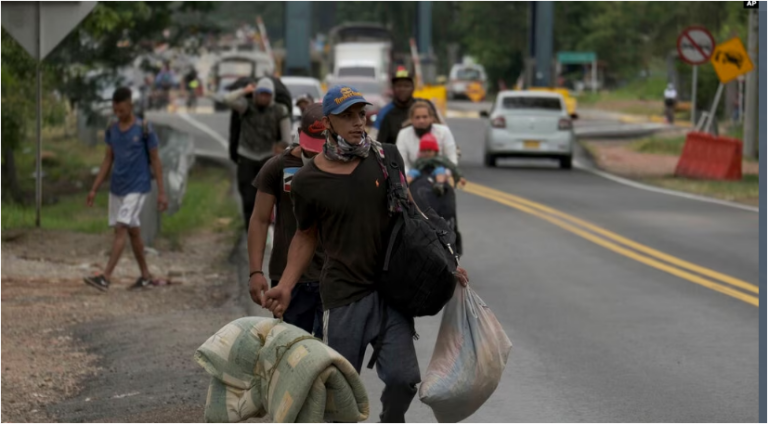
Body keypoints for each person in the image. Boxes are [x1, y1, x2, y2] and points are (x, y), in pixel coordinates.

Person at [263, 85, 469, 424]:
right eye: (348, 116)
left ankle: (391, 418)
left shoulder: (386, 157)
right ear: (328, 122)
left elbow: (411, 211)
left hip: (391, 292)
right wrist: (285, 285)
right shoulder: (308, 181)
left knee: (404, 379)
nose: (358, 122)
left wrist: (449, 260)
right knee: (340, 392)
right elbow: (306, 235)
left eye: (361, 114)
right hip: (343, 296)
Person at [247, 103, 327, 337]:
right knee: (292, 353)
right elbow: (260, 220)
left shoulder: (345, 167)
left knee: (331, 354)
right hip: (288, 280)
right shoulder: (277, 168)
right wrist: (255, 272)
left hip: (332, 278)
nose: (315, 156)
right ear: (300, 136)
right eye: (311, 148)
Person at [83, 87, 168, 292]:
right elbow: (107, 160)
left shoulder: (144, 129)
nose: (118, 114)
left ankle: (105, 277)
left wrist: (162, 192)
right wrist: (94, 188)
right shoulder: (112, 130)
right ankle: (146, 276)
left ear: (130, 106)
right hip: (117, 188)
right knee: (133, 231)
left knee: (121, 228)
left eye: (121, 110)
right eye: (115, 110)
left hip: (137, 188)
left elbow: (156, 160)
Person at [224, 77, 291, 231]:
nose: (263, 98)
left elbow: (287, 138)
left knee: (268, 196)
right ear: (255, 95)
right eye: (260, 94)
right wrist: (245, 90)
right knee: (248, 196)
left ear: (272, 96)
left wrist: (280, 147)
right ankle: (250, 228)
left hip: (267, 157)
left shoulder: (280, 110)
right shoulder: (246, 107)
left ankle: (268, 224)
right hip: (246, 155)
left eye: (266, 94)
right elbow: (226, 99)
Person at [374, 69, 441, 145]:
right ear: (393, 89)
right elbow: (376, 140)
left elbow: (441, 130)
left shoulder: (425, 105)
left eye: (406, 86)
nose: (402, 89)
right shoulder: (385, 112)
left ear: (413, 88)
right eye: (399, 86)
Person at [395, 99, 460, 177]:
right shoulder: (403, 134)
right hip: (412, 177)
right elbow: (401, 162)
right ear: (411, 119)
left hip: (440, 175)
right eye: (417, 117)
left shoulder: (444, 131)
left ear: (431, 118)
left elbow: (452, 158)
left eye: (425, 117)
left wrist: (445, 174)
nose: (421, 121)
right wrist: (410, 176)